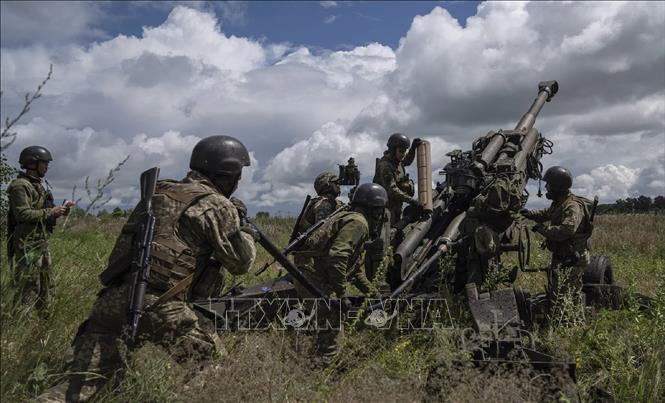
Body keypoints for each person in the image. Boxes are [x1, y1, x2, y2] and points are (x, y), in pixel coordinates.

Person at [37, 135, 257, 402]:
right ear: (228, 172)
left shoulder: (156, 193)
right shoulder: (215, 204)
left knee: (74, 387)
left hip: (112, 301)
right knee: (213, 370)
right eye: (238, 175)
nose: (238, 182)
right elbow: (240, 263)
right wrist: (247, 233)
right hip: (162, 306)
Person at [292, 183, 388, 364]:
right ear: (376, 209)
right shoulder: (359, 223)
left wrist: (373, 293)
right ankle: (323, 367)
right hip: (313, 275)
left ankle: (319, 359)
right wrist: (341, 295)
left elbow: (355, 270)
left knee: (328, 323)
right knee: (333, 317)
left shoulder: (351, 218)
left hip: (308, 273)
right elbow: (338, 256)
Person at [7, 145, 75, 311]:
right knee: (29, 284)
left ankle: (43, 319)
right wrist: (50, 211)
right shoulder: (20, 186)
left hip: (41, 242)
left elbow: (43, 213)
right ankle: (23, 323)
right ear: (32, 163)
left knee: (46, 283)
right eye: (44, 163)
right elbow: (22, 214)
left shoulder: (38, 186)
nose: (47, 166)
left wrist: (61, 210)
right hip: (27, 244)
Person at [520, 166, 593, 296]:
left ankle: (572, 316)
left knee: (568, 295)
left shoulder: (572, 206)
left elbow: (565, 231)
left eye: (549, 184)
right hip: (563, 255)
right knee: (557, 292)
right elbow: (546, 213)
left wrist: (541, 229)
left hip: (572, 258)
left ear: (557, 187)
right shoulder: (559, 203)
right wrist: (529, 214)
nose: (546, 188)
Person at [372, 133, 422, 226]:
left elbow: (407, 161)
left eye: (404, 151)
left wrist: (413, 148)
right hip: (386, 208)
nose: (403, 154)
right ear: (393, 150)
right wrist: (411, 200)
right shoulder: (385, 166)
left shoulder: (396, 161)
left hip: (396, 206)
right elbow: (392, 190)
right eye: (401, 151)